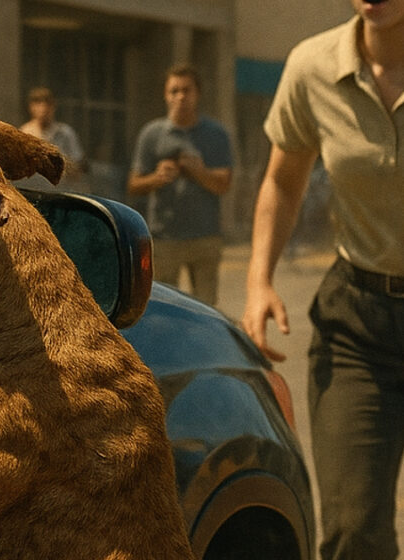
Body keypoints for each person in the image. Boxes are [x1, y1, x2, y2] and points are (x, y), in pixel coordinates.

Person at [240, 1, 404, 558]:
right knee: (354, 528)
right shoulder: (313, 65)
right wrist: (258, 280)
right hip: (358, 325)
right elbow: (284, 182)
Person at [127, 64, 232, 306]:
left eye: (187, 90)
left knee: (206, 308)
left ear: (198, 94)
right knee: (165, 308)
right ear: (166, 95)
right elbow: (133, 185)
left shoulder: (216, 134)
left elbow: (224, 184)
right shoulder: (151, 134)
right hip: (165, 236)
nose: (181, 97)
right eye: (174, 91)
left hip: (205, 236)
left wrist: (198, 171)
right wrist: (157, 177)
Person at [20, 87, 87, 184]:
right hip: (35, 189)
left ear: (53, 107)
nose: (43, 109)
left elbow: (78, 165)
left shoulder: (65, 132)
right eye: (38, 104)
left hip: (61, 188)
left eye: (47, 104)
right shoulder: (24, 133)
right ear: (31, 107)